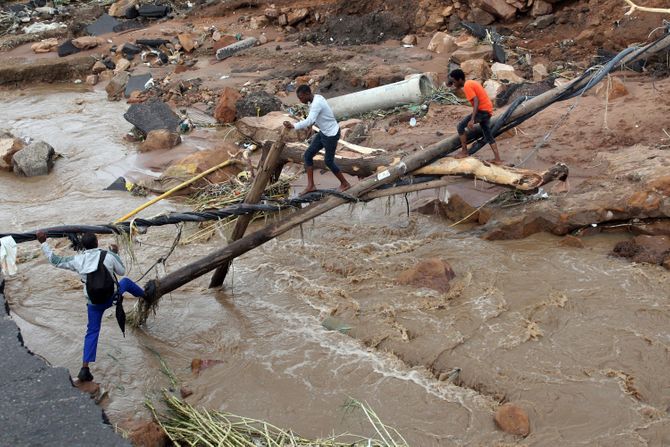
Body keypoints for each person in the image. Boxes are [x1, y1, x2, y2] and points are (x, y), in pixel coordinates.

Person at [36, 231, 144, 382]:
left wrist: (43, 242)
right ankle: (146, 295)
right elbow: (121, 271)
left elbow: (55, 260)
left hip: (94, 304)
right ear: (97, 242)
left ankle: (85, 368)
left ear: (83, 246)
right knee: (125, 282)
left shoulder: (78, 260)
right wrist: (115, 253)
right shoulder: (108, 255)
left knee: (92, 331)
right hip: (111, 297)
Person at [283, 84, 351, 195]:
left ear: (307, 94)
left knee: (328, 161)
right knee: (308, 155)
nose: (300, 100)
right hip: (324, 132)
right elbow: (314, 118)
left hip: (331, 135)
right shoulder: (317, 98)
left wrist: (294, 126)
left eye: (301, 98)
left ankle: (345, 184)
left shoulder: (316, 103)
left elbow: (310, 120)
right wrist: (310, 127)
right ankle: (311, 186)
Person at [448, 69, 502, 164]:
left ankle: (464, 151)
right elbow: (457, 87)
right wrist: (450, 83)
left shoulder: (467, 86)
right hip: (488, 109)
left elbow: (476, 100)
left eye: (454, 82)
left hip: (482, 111)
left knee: (460, 126)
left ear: (460, 80)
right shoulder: (470, 83)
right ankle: (497, 159)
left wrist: (472, 119)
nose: (453, 84)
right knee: (488, 133)